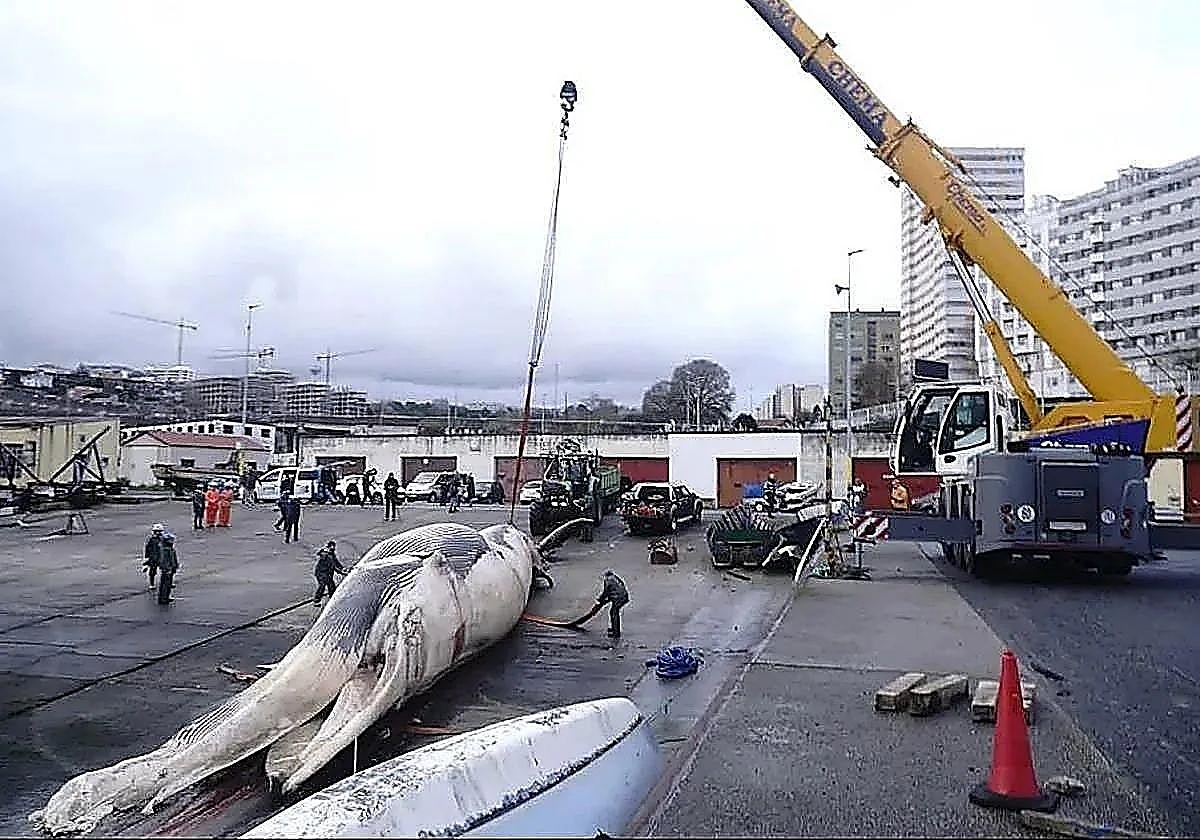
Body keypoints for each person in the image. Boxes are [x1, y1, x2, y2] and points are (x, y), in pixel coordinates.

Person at [576, 570, 630, 638]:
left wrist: (600, 600)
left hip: (619, 598)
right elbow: (615, 591)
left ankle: (616, 632)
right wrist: (604, 601)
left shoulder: (608, 580)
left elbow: (606, 592)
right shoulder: (616, 578)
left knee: (613, 612)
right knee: (614, 612)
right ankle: (615, 629)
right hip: (624, 596)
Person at [313, 540, 349, 604]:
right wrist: (342, 572)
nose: (333, 548)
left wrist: (343, 568)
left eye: (334, 546)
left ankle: (332, 600)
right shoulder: (326, 554)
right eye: (331, 546)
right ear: (328, 546)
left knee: (331, 586)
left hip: (327, 574)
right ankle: (317, 600)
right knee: (322, 585)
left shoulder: (332, 554)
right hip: (321, 573)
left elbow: (336, 563)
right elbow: (333, 566)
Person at [157, 533, 179, 604]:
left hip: (170, 568)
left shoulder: (170, 549)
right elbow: (164, 561)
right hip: (167, 569)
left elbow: (173, 558)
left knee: (168, 584)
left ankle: (166, 597)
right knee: (165, 585)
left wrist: (175, 566)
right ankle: (163, 598)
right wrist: (167, 568)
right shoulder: (165, 550)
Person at [143, 523, 164, 589]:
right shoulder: (151, 540)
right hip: (153, 558)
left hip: (162, 557)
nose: (157, 533)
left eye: (159, 531)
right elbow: (147, 549)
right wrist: (147, 558)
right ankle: (151, 583)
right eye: (156, 531)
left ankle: (167, 582)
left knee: (166, 571)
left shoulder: (164, 539)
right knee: (152, 571)